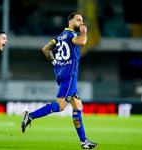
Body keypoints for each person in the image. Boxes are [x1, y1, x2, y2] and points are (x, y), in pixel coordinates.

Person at [21, 12, 98, 149]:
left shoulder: (59, 37)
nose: (81, 23)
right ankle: (30, 116)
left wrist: (56, 63)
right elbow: (82, 42)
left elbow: (46, 49)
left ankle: (84, 141)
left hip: (61, 73)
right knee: (61, 106)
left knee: (78, 106)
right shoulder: (72, 35)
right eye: (78, 20)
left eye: (82, 21)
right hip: (70, 75)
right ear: (70, 23)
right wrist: (84, 32)